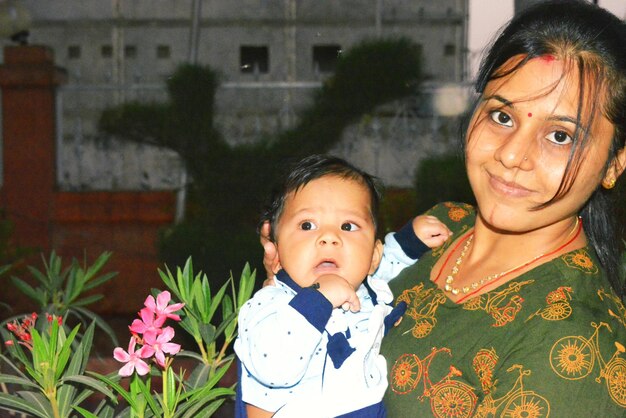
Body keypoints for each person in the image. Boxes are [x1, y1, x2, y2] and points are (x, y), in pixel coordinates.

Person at [261, 1, 626, 416]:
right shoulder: (444, 226)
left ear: (614, 162)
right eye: (503, 116)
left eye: (560, 135)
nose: (512, 155)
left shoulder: (573, 350)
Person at [236, 154, 451, 417]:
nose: (329, 237)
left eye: (348, 226)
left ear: (373, 254)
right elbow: (273, 367)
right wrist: (318, 299)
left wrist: (410, 241)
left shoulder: (364, 285)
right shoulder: (270, 305)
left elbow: (385, 265)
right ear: (276, 246)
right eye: (307, 225)